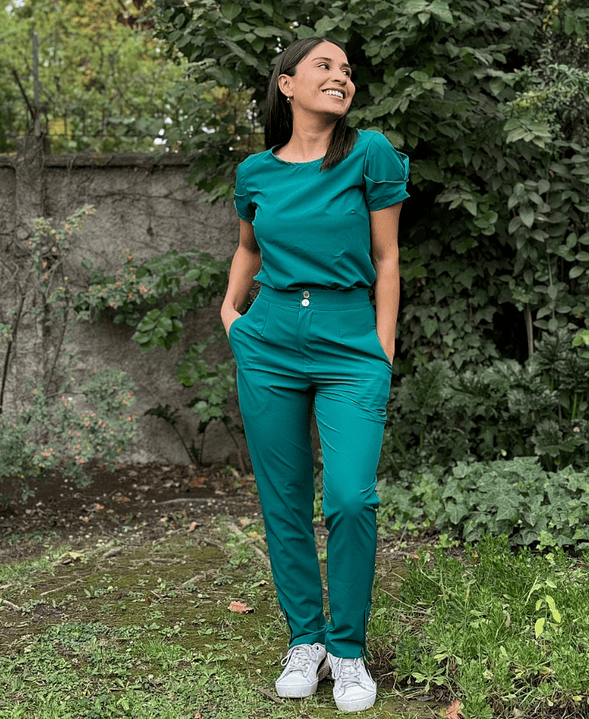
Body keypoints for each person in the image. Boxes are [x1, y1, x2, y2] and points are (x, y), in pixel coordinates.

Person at [220, 36, 408, 713]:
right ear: (287, 83)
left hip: (349, 339)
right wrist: (231, 311)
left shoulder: (369, 153)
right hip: (269, 338)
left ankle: (347, 650)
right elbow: (248, 245)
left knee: (351, 498)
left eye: (346, 70)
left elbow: (386, 258)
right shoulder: (256, 172)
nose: (340, 77)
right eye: (324, 66)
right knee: (284, 499)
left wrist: (382, 346)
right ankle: (306, 640)